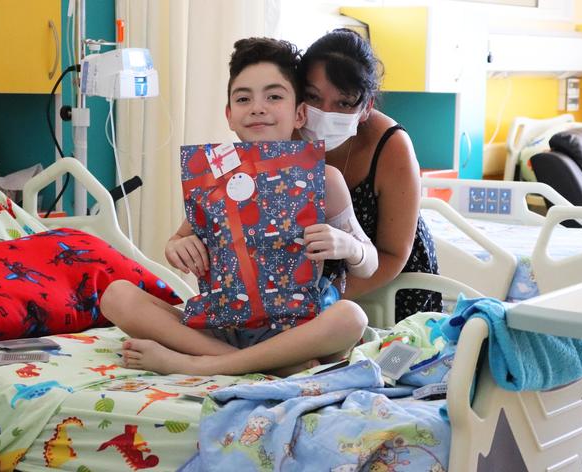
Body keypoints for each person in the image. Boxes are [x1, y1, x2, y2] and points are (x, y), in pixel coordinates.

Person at [100, 37, 378, 377]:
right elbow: (178, 240)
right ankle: (264, 364)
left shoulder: (325, 179)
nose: (258, 107)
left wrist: (348, 246)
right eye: (244, 98)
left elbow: (369, 262)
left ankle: (201, 363)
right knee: (116, 296)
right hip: (225, 326)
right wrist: (177, 247)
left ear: (300, 113)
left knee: (352, 317)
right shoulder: (214, 176)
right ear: (229, 115)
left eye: (274, 97)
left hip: (298, 330)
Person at [298, 29, 442, 321]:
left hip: (393, 287)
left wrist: (329, 295)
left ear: (366, 107)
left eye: (344, 103)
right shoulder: (284, 134)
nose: (325, 112)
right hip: (302, 290)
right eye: (313, 96)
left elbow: (393, 254)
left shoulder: (391, 147)